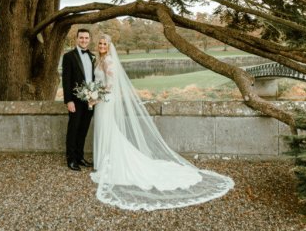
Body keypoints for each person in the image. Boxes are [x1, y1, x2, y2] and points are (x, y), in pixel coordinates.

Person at [89, 34, 234, 210]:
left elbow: (111, 83)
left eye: (105, 43)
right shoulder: (100, 59)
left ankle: (108, 162)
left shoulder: (109, 61)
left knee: (107, 128)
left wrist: (96, 97)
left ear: (109, 46)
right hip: (101, 101)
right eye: (100, 43)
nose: (102, 45)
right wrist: (93, 94)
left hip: (105, 100)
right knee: (104, 128)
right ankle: (103, 160)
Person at [61, 28, 96, 171]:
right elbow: (66, 80)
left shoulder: (92, 56)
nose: (84, 40)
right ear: (76, 39)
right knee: (73, 129)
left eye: (86, 38)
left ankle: (80, 157)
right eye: (81, 38)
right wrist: (68, 101)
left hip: (90, 100)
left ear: (89, 39)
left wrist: (94, 97)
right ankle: (71, 159)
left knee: (83, 129)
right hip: (75, 100)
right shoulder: (69, 56)